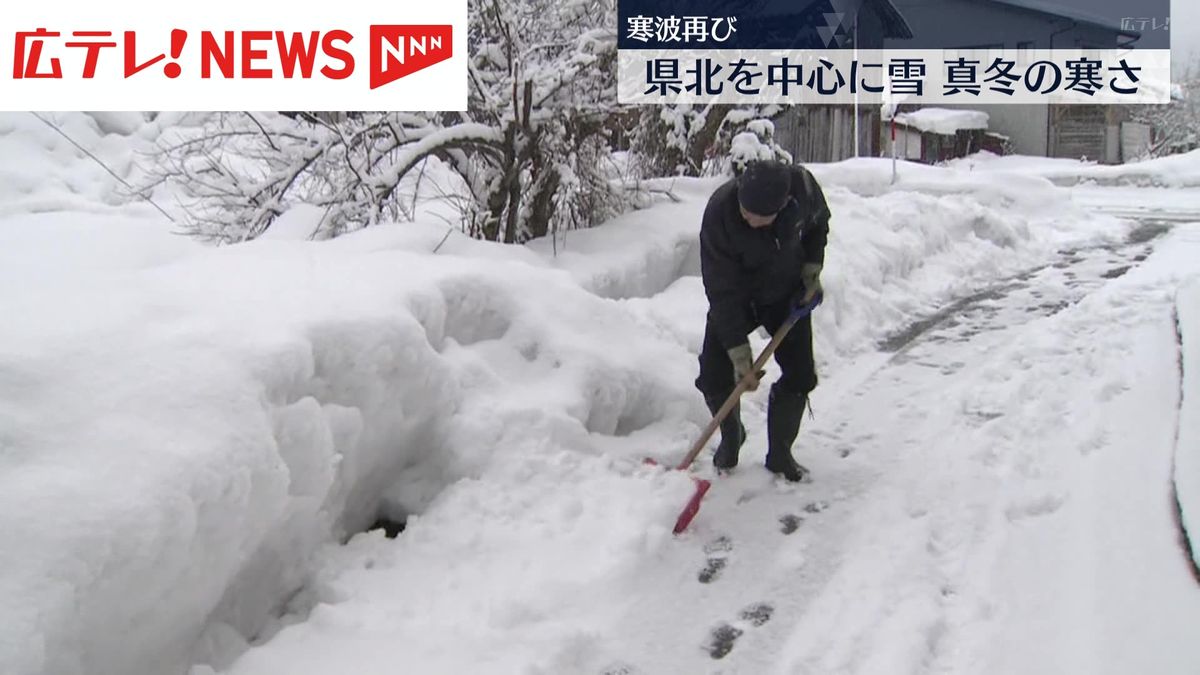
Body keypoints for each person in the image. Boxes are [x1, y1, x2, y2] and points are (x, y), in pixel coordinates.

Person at [694, 159, 830, 482]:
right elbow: (720, 289)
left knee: (800, 375)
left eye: (758, 217)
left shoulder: (803, 190)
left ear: (783, 206)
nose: (748, 218)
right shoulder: (720, 213)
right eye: (745, 211)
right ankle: (730, 437)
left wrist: (811, 270)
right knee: (714, 375)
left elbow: (818, 226)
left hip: (785, 295)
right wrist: (739, 354)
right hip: (738, 297)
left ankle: (781, 454)